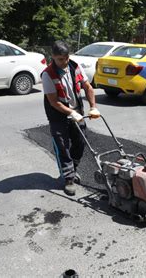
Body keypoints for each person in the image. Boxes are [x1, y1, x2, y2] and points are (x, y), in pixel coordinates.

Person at [42, 41, 100, 196]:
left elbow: (88, 87)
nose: (64, 61)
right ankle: (68, 178)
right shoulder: (48, 74)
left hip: (77, 111)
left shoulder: (75, 67)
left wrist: (93, 107)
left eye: (66, 57)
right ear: (53, 57)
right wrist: (70, 112)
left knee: (80, 142)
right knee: (62, 146)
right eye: (60, 59)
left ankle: (73, 169)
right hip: (58, 115)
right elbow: (54, 102)